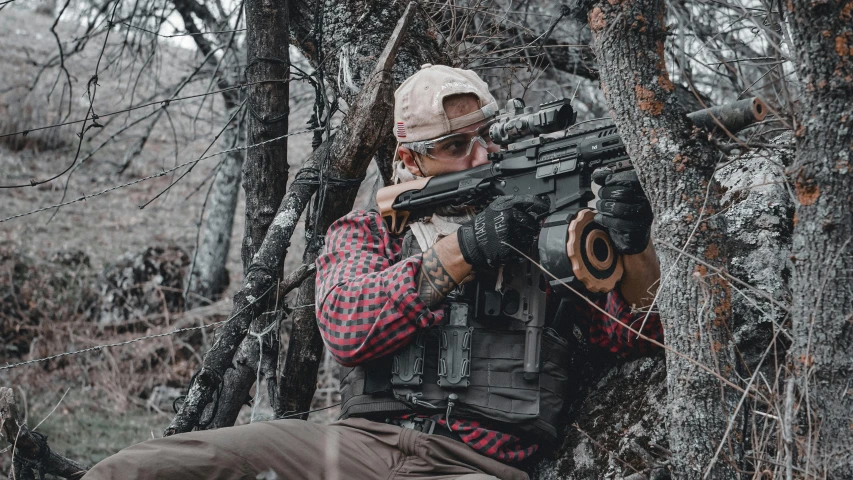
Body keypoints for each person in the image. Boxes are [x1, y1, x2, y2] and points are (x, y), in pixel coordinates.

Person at [82, 64, 662, 480]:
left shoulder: (553, 233)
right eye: (457, 145)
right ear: (410, 160)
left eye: (485, 137)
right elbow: (347, 328)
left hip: (476, 465)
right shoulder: (369, 232)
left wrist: (632, 244)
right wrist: (470, 247)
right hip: (355, 447)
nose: (481, 154)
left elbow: (639, 333)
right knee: (140, 468)